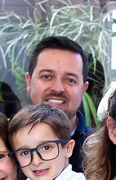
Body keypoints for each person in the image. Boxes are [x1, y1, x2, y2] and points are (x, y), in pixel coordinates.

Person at [25, 36, 94, 172]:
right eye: (47, 76)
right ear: (29, 82)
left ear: (83, 89)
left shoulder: (104, 152)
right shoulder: (4, 149)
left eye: (70, 80)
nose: (58, 88)